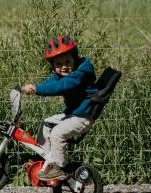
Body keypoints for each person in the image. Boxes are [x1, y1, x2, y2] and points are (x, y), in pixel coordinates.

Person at [20, 35, 98, 181]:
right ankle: (46, 158)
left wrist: (37, 89)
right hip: (74, 114)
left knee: (57, 133)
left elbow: (62, 85)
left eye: (67, 61)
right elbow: (52, 81)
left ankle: (60, 168)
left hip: (83, 116)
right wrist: (31, 88)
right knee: (46, 123)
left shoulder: (79, 74)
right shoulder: (65, 72)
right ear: (53, 65)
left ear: (74, 58)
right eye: (58, 64)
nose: (63, 66)